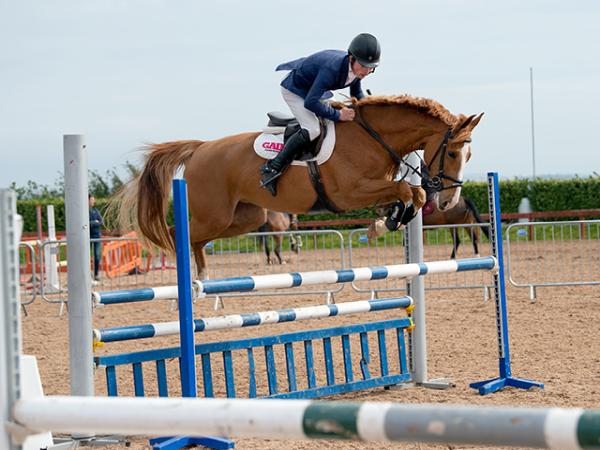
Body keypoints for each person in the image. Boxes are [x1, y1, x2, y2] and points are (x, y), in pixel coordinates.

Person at [260, 33, 381, 196]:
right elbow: (310, 102)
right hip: (295, 91)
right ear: (351, 58)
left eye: (371, 67)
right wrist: (338, 115)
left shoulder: (357, 69)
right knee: (313, 129)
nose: (367, 71)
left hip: (314, 90)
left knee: (331, 122)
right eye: (364, 66)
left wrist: (370, 109)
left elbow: (356, 93)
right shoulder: (332, 69)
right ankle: (273, 167)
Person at [89, 194, 104, 283]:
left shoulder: (96, 210)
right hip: (88, 237)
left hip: (97, 236)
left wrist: (93, 223)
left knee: (97, 256)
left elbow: (102, 222)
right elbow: (86, 223)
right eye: (91, 200)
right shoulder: (84, 211)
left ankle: (96, 273)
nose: (93, 201)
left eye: (93, 200)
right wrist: (95, 222)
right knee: (86, 256)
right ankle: (88, 273)